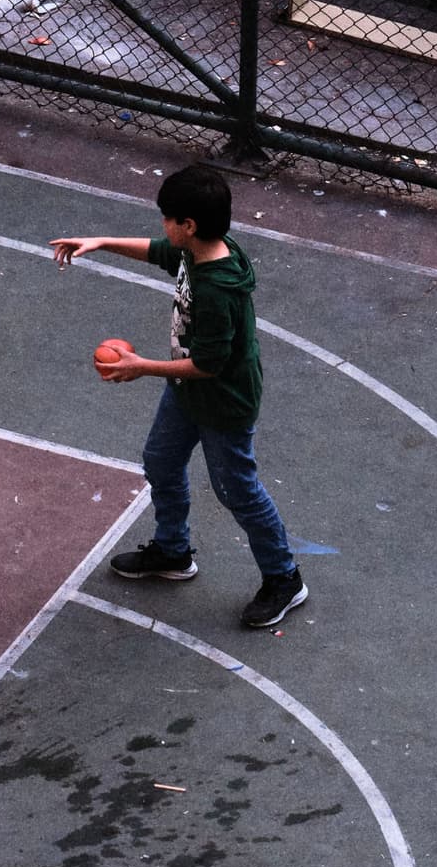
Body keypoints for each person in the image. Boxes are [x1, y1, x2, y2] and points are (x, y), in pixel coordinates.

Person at [52, 163, 307, 631]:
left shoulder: (216, 289)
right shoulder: (201, 249)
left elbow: (209, 365)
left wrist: (140, 367)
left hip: (222, 401)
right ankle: (172, 551)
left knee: (238, 491)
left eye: (168, 218)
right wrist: (101, 242)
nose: (163, 226)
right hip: (187, 391)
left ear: (188, 225)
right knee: (161, 462)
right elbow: (159, 252)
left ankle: (284, 578)